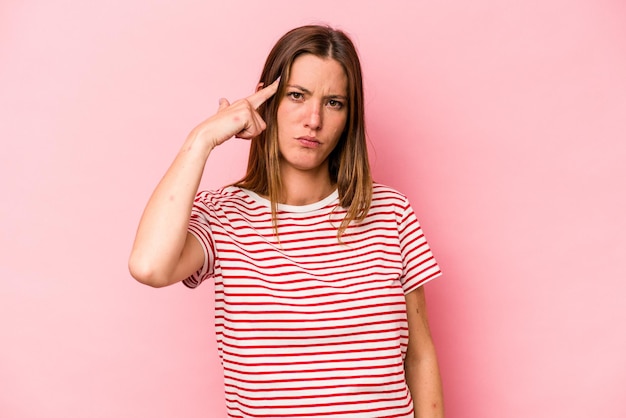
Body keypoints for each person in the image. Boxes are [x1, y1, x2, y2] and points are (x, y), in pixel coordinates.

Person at [129, 24, 444, 418]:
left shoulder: (390, 211)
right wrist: (201, 140)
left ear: (349, 116)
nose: (313, 119)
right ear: (267, 102)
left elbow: (420, 355)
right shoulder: (223, 216)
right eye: (297, 96)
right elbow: (148, 266)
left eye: (334, 103)